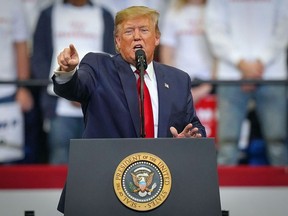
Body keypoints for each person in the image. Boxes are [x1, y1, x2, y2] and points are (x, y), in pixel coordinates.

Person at [52, 6, 206, 213]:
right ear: (117, 41)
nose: (136, 37)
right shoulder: (98, 66)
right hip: (103, 188)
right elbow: (75, 87)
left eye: (144, 30)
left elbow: (193, 126)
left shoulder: (178, 80)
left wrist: (189, 140)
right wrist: (68, 72)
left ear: (157, 38)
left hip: (161, 190)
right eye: (128, 31)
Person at [205, 0, 288, 165]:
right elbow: (215, 30)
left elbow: (284, 27)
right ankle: (224, 190)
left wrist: (260, 62)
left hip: (272, 74)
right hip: (231, 76)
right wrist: (240, 63)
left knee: (278, 142)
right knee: (227, 144)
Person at [32, 0, 115, 164]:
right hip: (57, 103)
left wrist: (87, 91)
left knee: (96, 160)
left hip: (95, 101)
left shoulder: (104, 14)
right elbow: (39, 57)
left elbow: (110, 57)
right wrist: (66, 90)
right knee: (60, 155)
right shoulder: (48, 14)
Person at [160, 0, 216, 104]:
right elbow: (166, 53)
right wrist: (174, 84)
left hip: (210, 82)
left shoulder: (215, 11)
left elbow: (218, 53)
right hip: (180, 83)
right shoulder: (173, 13)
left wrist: (207, 86)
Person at [0, 0, 34, 163]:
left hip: (8, 91)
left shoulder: (13, 4)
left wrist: (22, 87)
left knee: (9, 156)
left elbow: (21, 46)